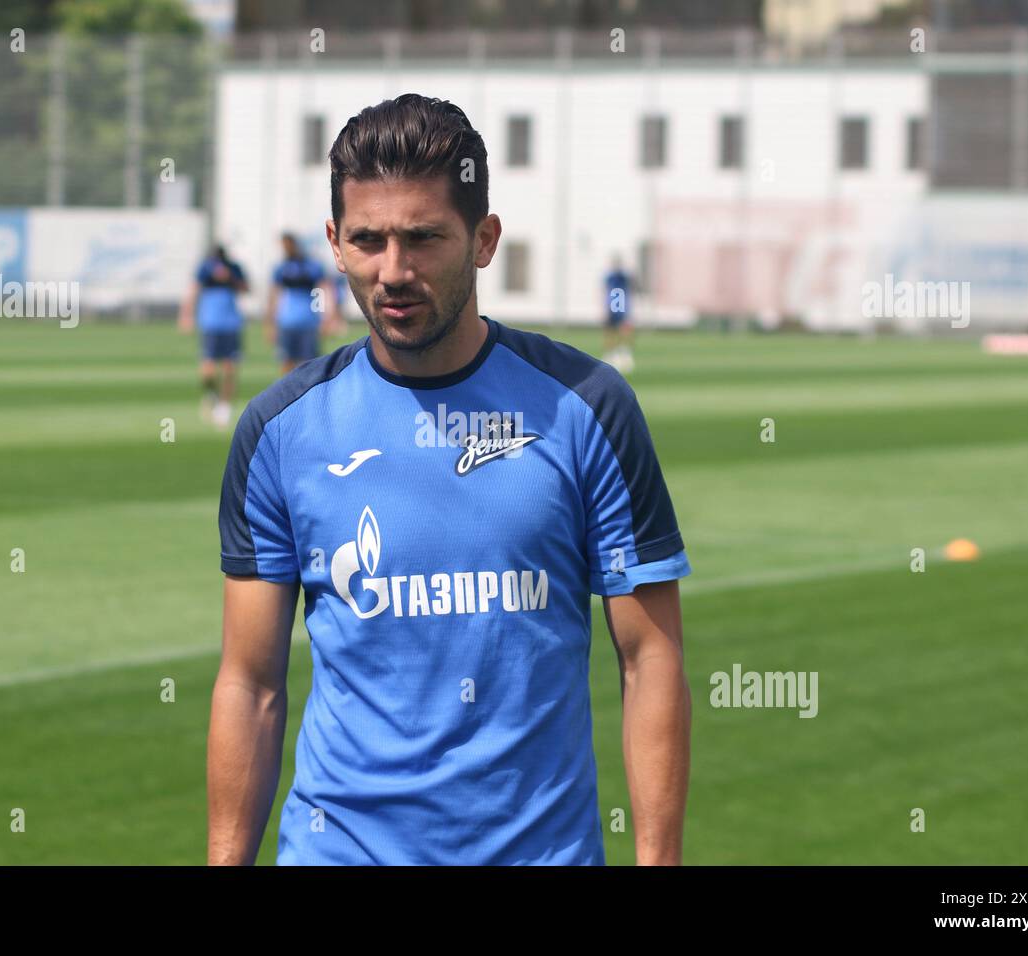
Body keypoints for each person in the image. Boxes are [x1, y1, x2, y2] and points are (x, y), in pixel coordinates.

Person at [209, 93, 692, 866]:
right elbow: (251, 683)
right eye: (367, 240)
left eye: (423, 239)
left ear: (484, 239)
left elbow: (651, 658)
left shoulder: (588, 407)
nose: (392, 272)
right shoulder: (279, 430)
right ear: (334, 243)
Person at [180, 244, 250, 427]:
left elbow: (246, 288)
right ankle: (211, 394)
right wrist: (187, 315)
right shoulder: (205, 268)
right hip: (210, 323)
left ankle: (224, 408)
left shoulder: (234, 268)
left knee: (229, 367)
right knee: (207, 370)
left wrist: (231, 278)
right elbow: (194, 290)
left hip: (231, 324)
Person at [265, 233, 329, 376]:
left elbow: (321, 291)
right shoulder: (281, 268)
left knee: (311, 364)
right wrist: (270, 323)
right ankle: (289, 396)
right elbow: (274, 296)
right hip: (286, 322)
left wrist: (324, 317)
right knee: (286, 362)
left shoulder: (312, 266)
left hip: (308, 321)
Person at [603, 254, 636, 373]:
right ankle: (611, 354)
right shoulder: (610, 277)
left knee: (624, 329)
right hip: (612, 306)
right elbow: (606, 290)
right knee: (610, 330)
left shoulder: (624, 277)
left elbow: (630, 287)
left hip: (622, 306)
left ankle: (625, 353)